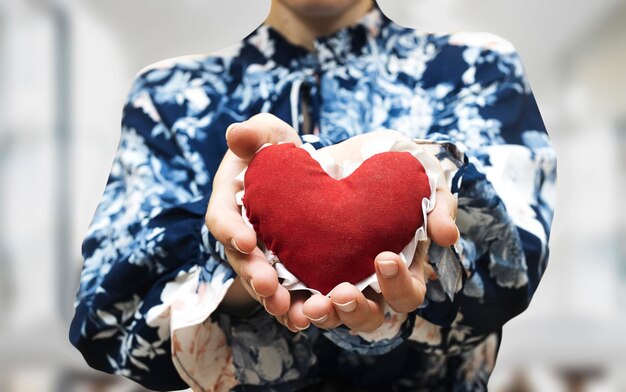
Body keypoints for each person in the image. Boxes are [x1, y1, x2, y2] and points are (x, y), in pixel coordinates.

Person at [69, 0, 556, 390]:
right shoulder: (168, 95)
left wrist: (431, 180)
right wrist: (239, 271)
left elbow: (513, 268)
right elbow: (105, 322)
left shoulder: (476, 67)